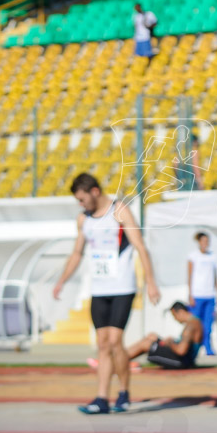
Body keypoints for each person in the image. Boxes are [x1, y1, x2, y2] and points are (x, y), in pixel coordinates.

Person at [53, 173, 161, 414]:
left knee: (115, 341)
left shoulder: (118, 211)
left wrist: (151, 281)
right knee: (103, 344)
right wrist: (61, 281)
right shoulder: (83, 219)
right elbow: (77, 253)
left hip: (123, 287)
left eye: (82, 199)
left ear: (94, 191)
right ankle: (102, 398)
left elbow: (140, 246)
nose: (80, 205)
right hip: (99, 289)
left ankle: (123, 392)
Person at [121, 302, 203, 370]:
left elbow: (181, 351)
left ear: (180, 312)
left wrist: (170, 342)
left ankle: (118, 360)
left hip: (182, 362)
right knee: (151, 337)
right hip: (183, 359)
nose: (175, 319)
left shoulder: (190, 326)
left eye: (174, 316)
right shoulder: (195, 322)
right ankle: (120, 358)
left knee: (147, 344)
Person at [187, 231, 217, 356]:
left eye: (207, 241)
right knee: (195, 323)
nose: (205, 243)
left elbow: (215, 276)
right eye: (203, 241)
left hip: (209, 295)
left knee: (208, 324)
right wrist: (190, 294)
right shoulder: (193, 256)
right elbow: (189, 276)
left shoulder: (213, 256)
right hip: (197, 295)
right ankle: (194, 348)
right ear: (199, 242)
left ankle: (208, 347)